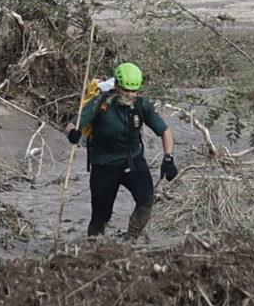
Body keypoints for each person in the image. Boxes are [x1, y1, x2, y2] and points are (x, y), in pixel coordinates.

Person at [68, 61, 177, 238]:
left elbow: (165, 131)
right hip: (103, 166)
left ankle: (131, 239)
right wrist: (73, 133)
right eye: (125, 90)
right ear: (117, 85)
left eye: (133, 91)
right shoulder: (100, 103)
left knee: (146, 200)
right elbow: (73, 124)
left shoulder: (142, 106)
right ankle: (94, 244)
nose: (129, 95)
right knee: (100, 216)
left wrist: (168, 158)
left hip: (132, 162)